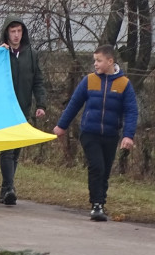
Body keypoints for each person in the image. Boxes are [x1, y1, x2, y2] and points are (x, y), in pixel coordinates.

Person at [53, 45, 137, 222]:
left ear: (110, 61)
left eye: (99, 61)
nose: (95, 64)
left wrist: (128, 135)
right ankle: (96, 205)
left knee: (105, 170)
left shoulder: (124, 84)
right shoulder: (89, 80)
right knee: (96, 166)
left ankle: (101, 202)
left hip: (110, 134)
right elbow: (74, 104)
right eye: (94, 60)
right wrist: (62, 126)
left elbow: (131, 111)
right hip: (89, 132)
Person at [0, 18, 47, 206]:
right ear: (6, 33)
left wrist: (41, 104)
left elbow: (38, 82)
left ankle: (5, 189)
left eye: (18, 31)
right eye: (12, 31)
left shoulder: (32, 55)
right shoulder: (0, 54)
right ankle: (9, 187)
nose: (16, 35)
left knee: (16, 150)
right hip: (4, 110)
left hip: (22, 109)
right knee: (7, 150)